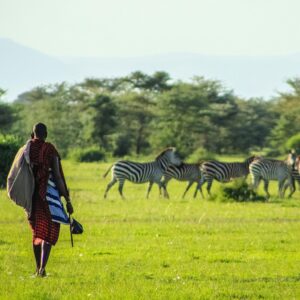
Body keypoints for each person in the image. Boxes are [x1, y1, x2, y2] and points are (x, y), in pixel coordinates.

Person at [28, 123, 74, 277]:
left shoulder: (26, 149)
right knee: (49, 230)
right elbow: (58, 176)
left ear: (32, 134)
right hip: (48, 196)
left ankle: (38, 268)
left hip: (31, 196)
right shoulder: (50, 149)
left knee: (37, 231)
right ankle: (42, 269)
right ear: (45, 134)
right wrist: (67, 200)